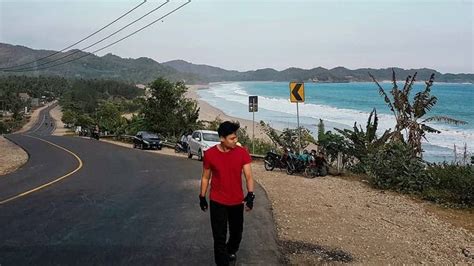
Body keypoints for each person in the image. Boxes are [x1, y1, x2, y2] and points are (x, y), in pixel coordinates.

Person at [199, 121, 255, 266]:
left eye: (236, 137)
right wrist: (202, 196)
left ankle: (231, 250)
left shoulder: (242, 152)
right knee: (219, 237)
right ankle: (222, 262)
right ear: (222, 138)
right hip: (217, 201)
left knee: (237, 234)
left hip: (236, 201)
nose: (235, 141)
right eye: (232, 138)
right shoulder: (210, 154)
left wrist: (250, 195)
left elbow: (248, 176)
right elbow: (206, 177)